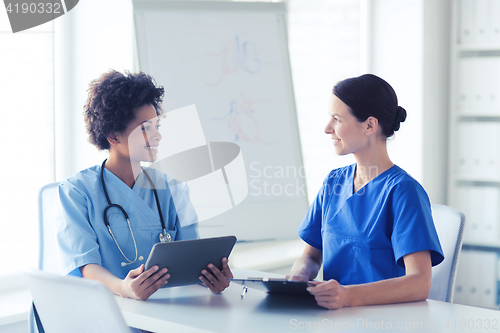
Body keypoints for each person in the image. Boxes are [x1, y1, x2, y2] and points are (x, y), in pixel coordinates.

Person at [56, 70, 232, 301]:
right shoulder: (77, 192)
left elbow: (192, 259)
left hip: (166, 311)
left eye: (157, 126)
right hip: (108, 309)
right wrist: (123, 288)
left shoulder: (174, 190)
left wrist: (210, 279)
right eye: (145, 128)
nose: (158, 136)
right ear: (113, 135)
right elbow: (84, 265)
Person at [288, 74, 444, 310]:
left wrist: (348, 296)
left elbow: (419, 283)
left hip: (385, 322)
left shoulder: (403, 192)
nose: (327, 128)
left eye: (337, 119)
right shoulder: (333, 182)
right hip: (335, 319)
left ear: (370, 125)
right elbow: (311, 256)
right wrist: (299, 276)